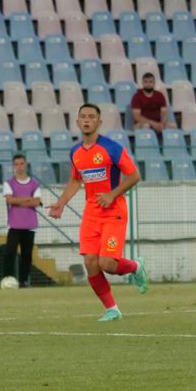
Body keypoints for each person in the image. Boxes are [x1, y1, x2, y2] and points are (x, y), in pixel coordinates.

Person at [48, 104, 150, 322]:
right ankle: (112, 309)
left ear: (99, 122)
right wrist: (61, 202)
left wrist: (113, 194)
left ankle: (136, 267)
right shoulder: (75, 152)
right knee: (90, 263)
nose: (86, 120)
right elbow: (76, 179)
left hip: (114, 212)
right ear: (77, 122)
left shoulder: (111, 148)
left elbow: (134, 176)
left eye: (91, 117)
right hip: (91, 214)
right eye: (82, 116)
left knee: (107, 264)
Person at [2, 154, 42, 287]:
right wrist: (28, 199)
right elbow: (10, 200)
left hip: (29, 224)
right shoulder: (8, 183)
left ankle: (23, 281)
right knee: (10, 253)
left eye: (21, 163)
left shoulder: (34, 183)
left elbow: (36, 202)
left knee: (26, 255)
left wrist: (18, 200)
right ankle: (7, 279)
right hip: (14, 224)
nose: (19, 167)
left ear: (26, 164)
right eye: (16, 164)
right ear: (13, 166)